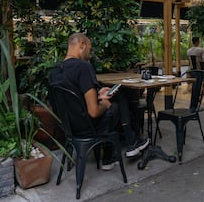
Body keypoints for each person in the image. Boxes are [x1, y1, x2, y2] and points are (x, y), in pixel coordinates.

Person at [48, 33, 149, 170]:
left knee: (111, 98)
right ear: (82, 45)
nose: (90, 54)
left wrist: (98, 95)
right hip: (89, 128)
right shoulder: (83, 67)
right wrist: (104, 105)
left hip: (69, 129)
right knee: (118, 101)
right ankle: (129, 144)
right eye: (89, 50)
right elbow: (94, 112)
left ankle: (113, 154)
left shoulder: (55, 71)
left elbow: (73, 98)